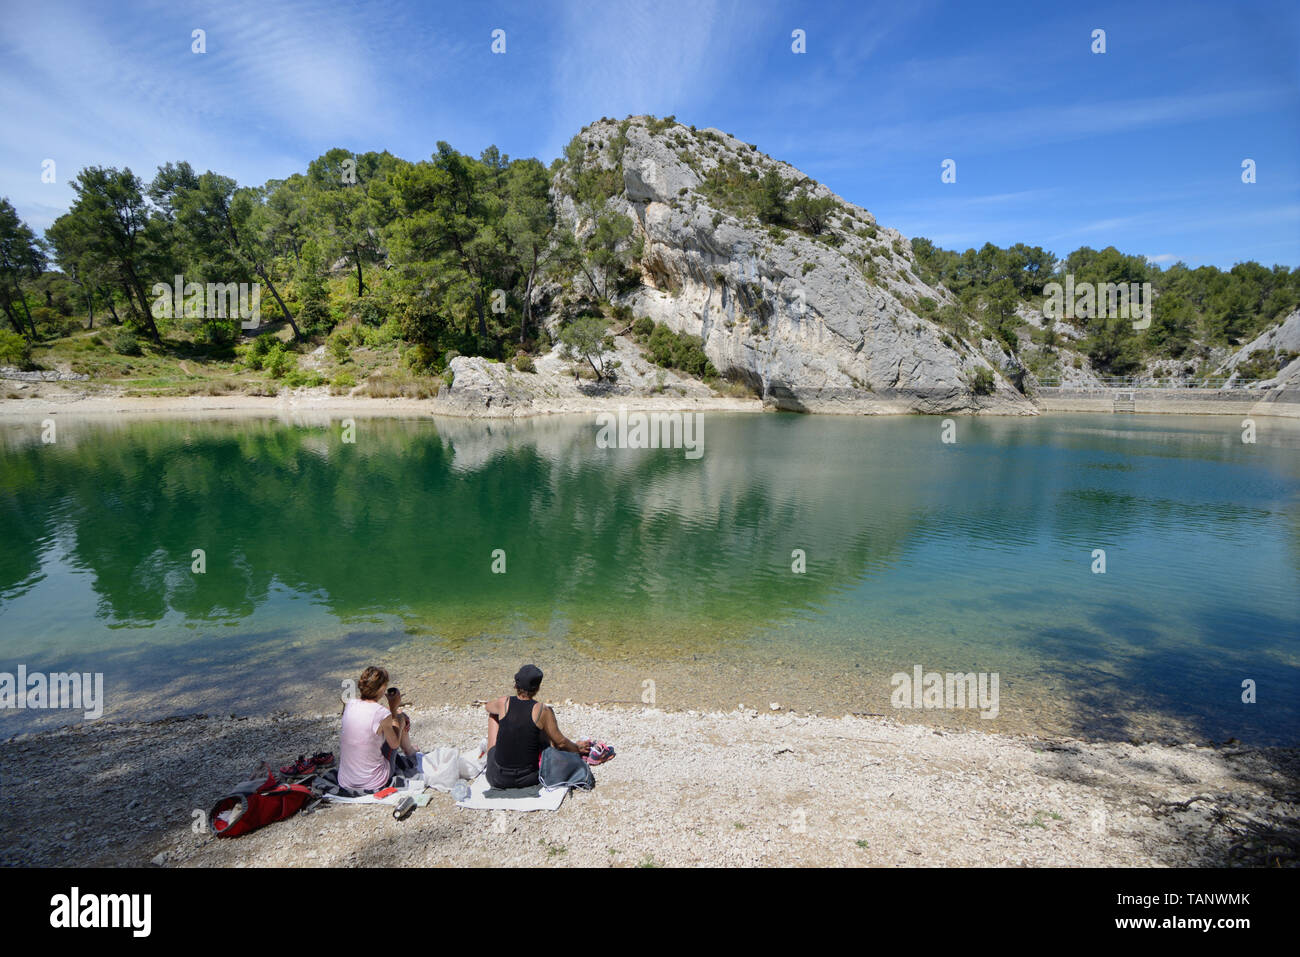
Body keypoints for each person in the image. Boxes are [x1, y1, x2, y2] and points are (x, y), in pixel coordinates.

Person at [483, 664, 589, 789]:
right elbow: (561, 742)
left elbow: (487, 706)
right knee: (542, 724)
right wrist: (577, 748)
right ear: (537, 688)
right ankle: (549, 749)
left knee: (493, 714)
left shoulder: (504, 702)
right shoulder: (541, 710)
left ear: (516, 685)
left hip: (497, 778)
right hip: (528, 778)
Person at [338, 666, 417, 792]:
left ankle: (410, 749)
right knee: (401, 718)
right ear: (382, 689)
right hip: (374, 781)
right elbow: (394, 744)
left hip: (346, 780)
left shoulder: (349, 704)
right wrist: (394, 709)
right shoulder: (381, 713)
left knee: (384, 728)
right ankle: (410, 752)